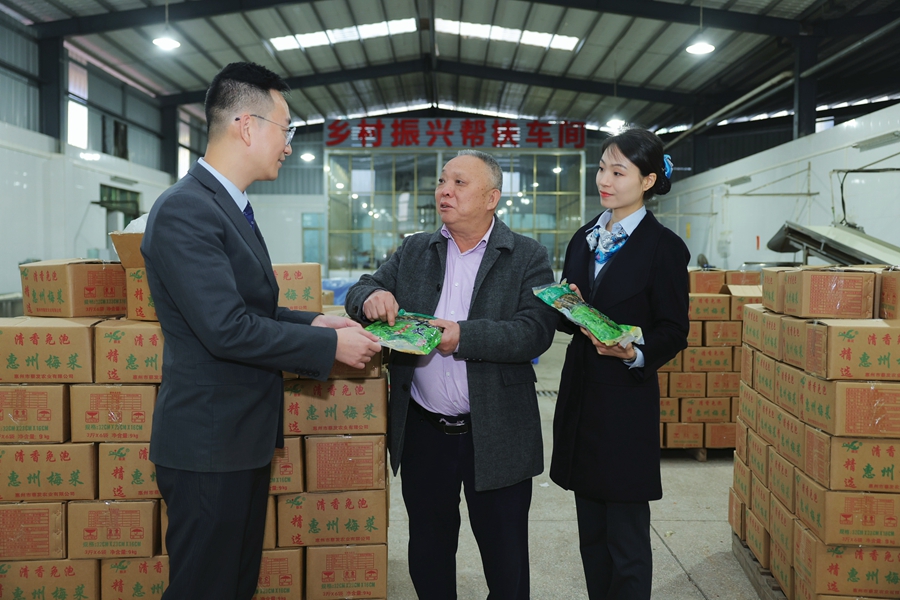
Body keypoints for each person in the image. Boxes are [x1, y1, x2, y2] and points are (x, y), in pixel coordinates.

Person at [141, 62, 382, 600]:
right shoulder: (186, 210)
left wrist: (316, 321)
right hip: (208, 447)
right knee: (206, 587)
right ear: (246, 126)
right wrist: (329, 345)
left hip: (236, 440)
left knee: (234, 583)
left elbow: (251, 309)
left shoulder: (228, 206)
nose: (289, 146)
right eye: (285, 129)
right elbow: (226, 329)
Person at [345, 149, 558, 599]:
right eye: (443, 181)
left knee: (506, 561)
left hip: (496, 432)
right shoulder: (415, 250)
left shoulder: (527, 256)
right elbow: (362, 287)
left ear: (491, 198)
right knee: (429, 553)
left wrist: (463, 336)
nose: (445, 191)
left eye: (460, 183)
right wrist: (370, 298)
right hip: (425, 434)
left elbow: (535, 331)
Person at [550, 128, 690, 600]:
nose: (604, 180)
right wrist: (566, 305)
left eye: (618, 171)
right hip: (581, 400)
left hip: (625, 407)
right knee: (591, 536)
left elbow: (674, 329)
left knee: (626, 539)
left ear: (647, 181)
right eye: (601, 169)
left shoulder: (664, 247)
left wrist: (634, 352)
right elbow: (572, 321)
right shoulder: (584, 239)